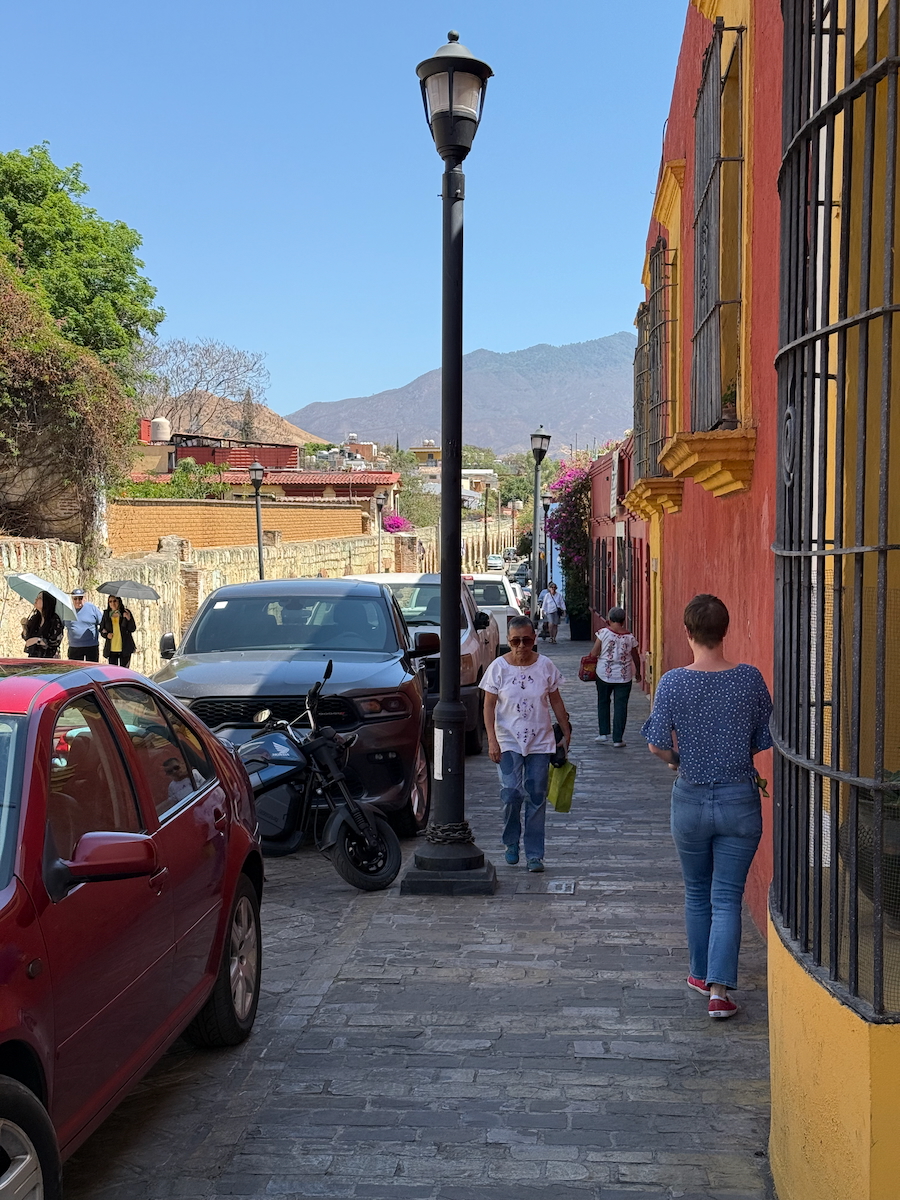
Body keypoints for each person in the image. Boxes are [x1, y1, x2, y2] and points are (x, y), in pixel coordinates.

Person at [641, 594, 773, 1020]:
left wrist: (679, 760)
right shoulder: (749, 679)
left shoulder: (673, 682)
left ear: (687, 632)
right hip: (738, 798)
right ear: (725, 630)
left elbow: (656, 744)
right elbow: (763, 737)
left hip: (691, 797)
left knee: (697, 891)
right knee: (728, 895)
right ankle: (719, 990)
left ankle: (700, 974)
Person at [481, 614, 571, 873]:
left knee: (536, 796)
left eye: (527, 640)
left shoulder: (545, 666)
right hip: (508, 741)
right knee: (511, 793)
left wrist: (565, 731)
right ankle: (511, 841)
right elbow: (488, 706)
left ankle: (534, 854)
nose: (521, 646)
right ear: (508, 640)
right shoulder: (498, 668)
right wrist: (492, 740)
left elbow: (555, 700)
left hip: (540, 742)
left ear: (534, 639)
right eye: (515, 641)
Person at [590, 606, 641, 746]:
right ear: (623, 620)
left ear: (609, 619)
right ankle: (618, 739)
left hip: (604, 674)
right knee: (621, 706)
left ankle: (603, 733)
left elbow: (594, 653)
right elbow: (636, 656)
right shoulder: (630, 637)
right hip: (624, 676)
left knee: (603, 702)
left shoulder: (603, 633)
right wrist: (638, 672)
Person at [20, 591, 64, 658]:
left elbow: (55, 642)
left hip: (49, 658)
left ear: (46, 602)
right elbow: (27, 638)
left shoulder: (54, 620)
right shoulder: (35, 619)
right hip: (34, 657)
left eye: (39, 598)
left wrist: (37, 640)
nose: (36, 599)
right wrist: (24, 626)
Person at [64, 588, 104, 661]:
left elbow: (103, 623)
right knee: (75, 668)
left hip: (91, 646)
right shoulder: (67, 610)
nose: (78, 601)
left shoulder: (92, 608)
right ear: (72, 599)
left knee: (92, 667)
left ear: (84, 598)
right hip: (74, 647)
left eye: (80, 598)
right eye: (75, 598)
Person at [100, 594, 137, 668]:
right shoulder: (106, 614)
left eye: (115, 601)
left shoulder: (126, 612)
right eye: (110, 601)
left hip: (125, 647)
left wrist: (128, 619)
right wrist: (107, 635)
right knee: (113, 671)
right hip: (112, 649)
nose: (113, 603)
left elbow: (132, 629)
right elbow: (101, 629)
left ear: (119, 601)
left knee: (125, 670)